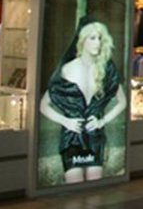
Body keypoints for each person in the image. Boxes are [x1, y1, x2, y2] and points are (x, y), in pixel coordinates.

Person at [39, 18, 127, 184]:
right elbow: (44, 105)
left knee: (95, 183)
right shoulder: (67, 69)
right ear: (82, 40)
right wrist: (65, 121)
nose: (97, 43)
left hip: (95, 136)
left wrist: (102, 121)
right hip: (71, 138)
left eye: (100, 38)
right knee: (74, 184)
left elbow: (122, 102)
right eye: (92, 38)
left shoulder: (106, 69)